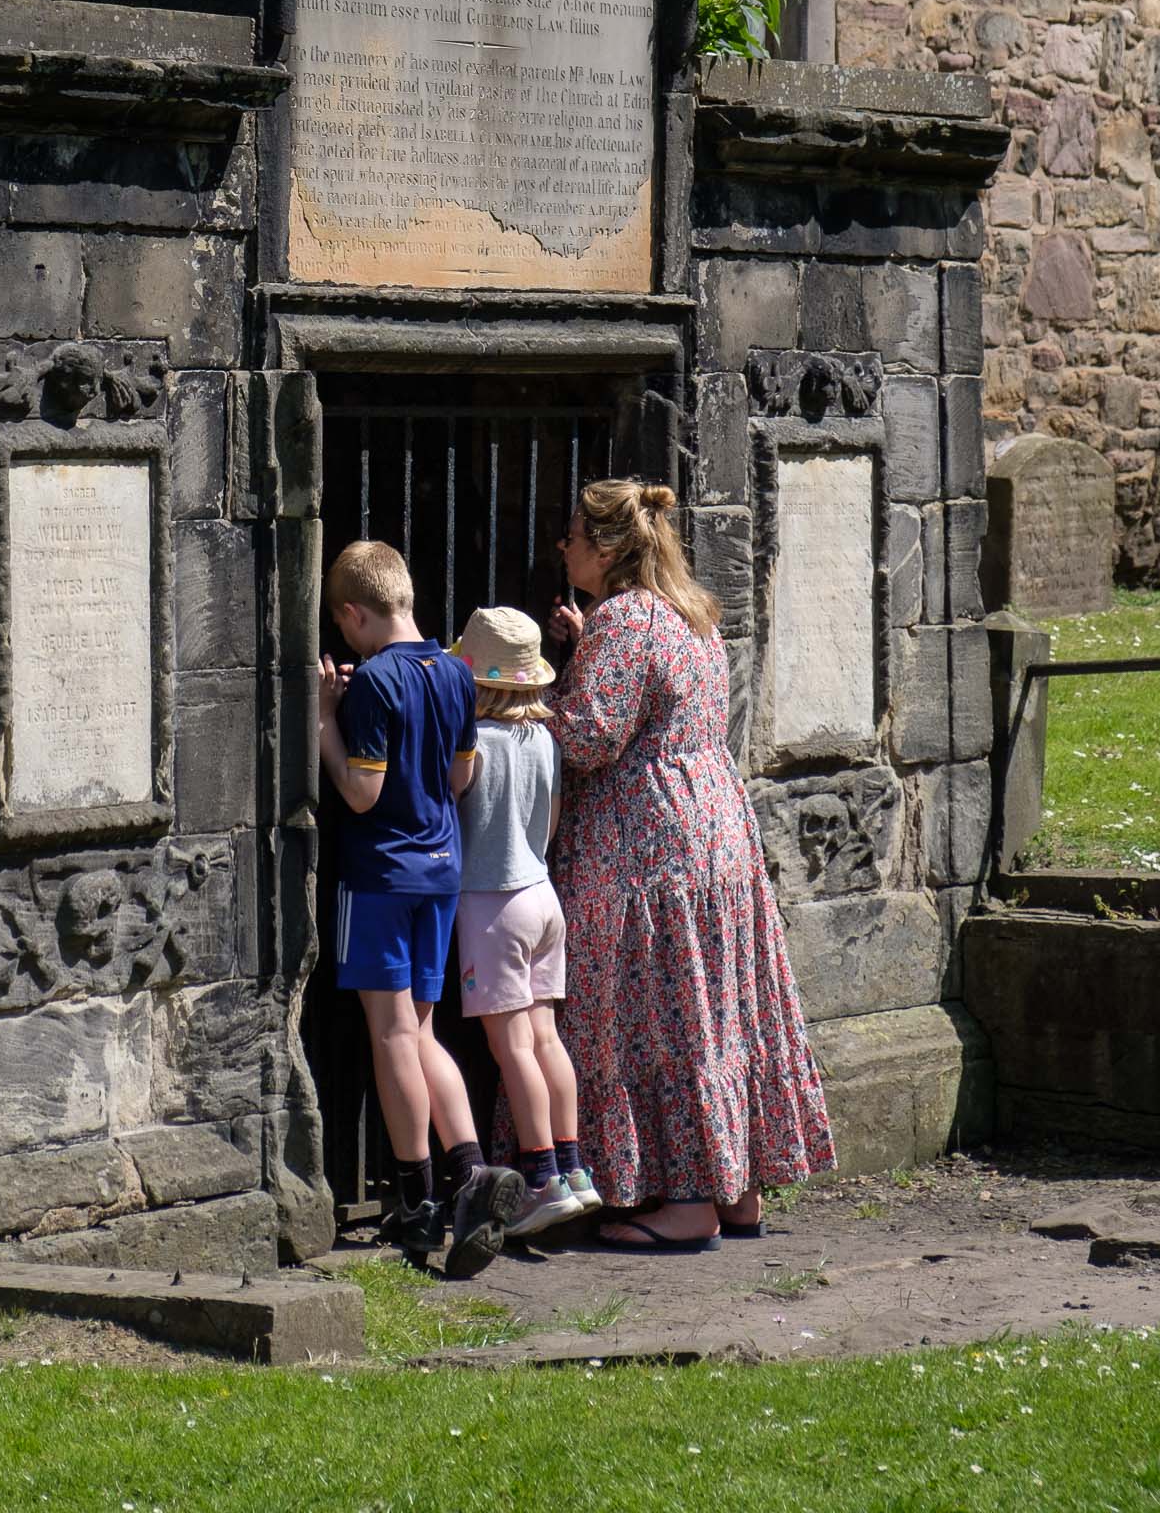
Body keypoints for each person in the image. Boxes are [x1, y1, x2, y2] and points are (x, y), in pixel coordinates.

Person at [548, 479, 835, 1250]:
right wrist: (587, 650)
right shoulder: (689, 612)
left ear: (606, 548)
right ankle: (736, 1192)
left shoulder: (623, 620)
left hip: (648, 844)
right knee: (713, 1007)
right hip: (712, 828)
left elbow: (589, 739)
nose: (564, 549)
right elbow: (654, 699)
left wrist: (517, 697)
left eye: (573, 536)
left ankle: (685, 1205)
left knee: (659, 1011)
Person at [318, 538, 525, 1275]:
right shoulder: (457, 674)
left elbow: (362, 793)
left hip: (381, 877)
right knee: (423, 1030)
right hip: (441, 871)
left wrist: (325, 722)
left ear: (353, 613)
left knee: (391, 1036)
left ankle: (414, 1202)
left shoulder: (374, 681)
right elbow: (461, 779)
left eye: (342, 625)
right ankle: (470, 1172)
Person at [451, 606, 596, 1239]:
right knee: (546, 1040)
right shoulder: (546, 739)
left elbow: (452, 802)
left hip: (493, 904)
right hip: (543, 897)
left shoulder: (474, 742)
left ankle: (541, 1180)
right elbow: (552, 818)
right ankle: (574, 1167)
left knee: (511, 1049)